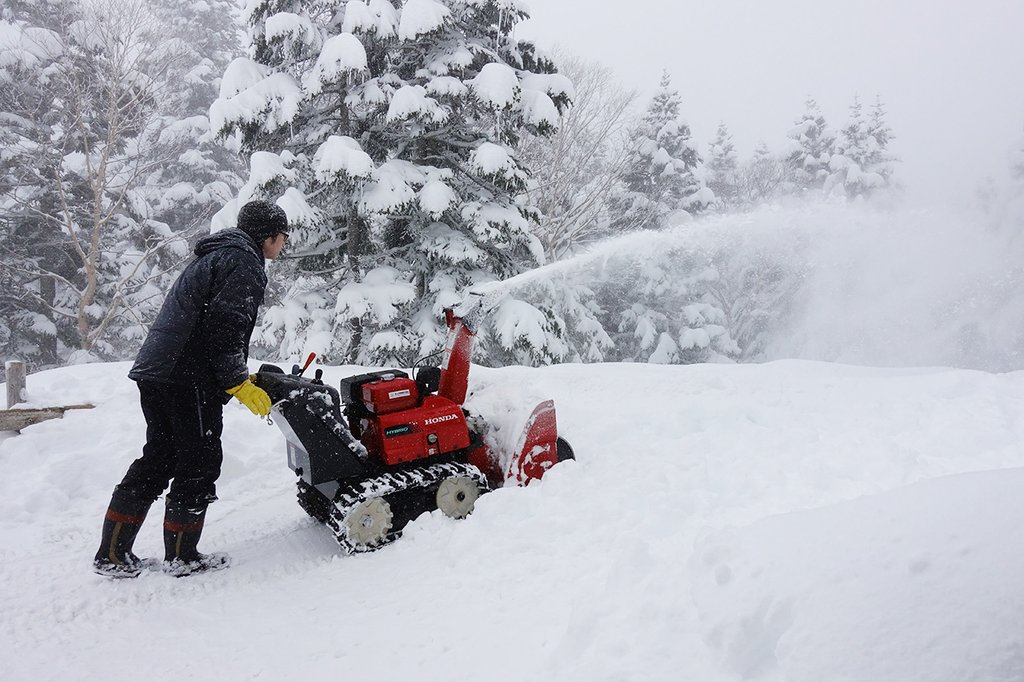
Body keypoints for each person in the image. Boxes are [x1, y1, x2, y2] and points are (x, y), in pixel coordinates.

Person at [93, 200, 288, 578]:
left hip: (159, 371)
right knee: (198, 460)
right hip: (187, 376)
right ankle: (183, 556)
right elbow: (225, 327)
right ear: (269, 237)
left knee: (161, 456)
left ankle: (112, 554)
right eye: (282, 238)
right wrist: (237, 382)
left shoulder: (217, 256)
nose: (282, 246)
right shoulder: (243, 262)